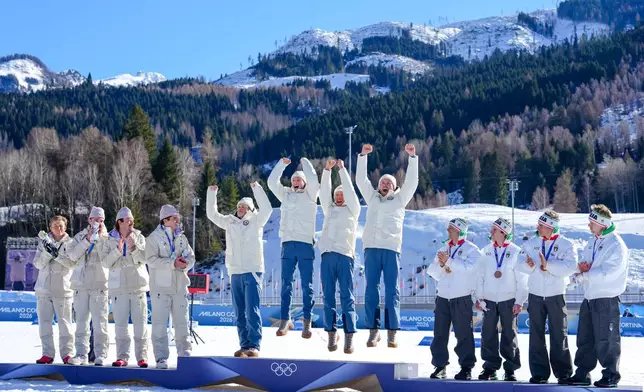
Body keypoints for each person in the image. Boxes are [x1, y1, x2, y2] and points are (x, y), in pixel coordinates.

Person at [356, 143, 418, 348]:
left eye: (388, 182)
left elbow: (412, 182)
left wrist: (412, 158)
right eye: (382, 181)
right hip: (371, 249)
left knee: (392, 290)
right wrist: (363, 156)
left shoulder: (400, 199)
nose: (384, 184)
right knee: (371, 290)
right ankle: (373, 331)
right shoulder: (372, 198)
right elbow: (360, 180)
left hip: (391, 249)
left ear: (394, 187)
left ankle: (392, 332)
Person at [207, 181, 272, 358]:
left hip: (252, 270)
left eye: (245, 206)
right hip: (235, 270)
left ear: (251, 209)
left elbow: (267, 208)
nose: (241, 208)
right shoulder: (230, 222)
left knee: (252, 309)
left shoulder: (257, 220)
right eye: (239, 206)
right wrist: (211, 194)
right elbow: (212, 215)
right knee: (239, 311)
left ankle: (254, 345)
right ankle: (244, 345)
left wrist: (257, 189)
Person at [567, 204, 629, 388]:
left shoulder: (616, 245)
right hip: (590, 297)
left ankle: (611, 374)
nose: (589, 226)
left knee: (606, 338)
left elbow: (608, 272)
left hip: (606, 298)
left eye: (591, 222)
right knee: (585, 338)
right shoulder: (592, 242)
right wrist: (577, 273)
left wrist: (584, 276)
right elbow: (584, 265)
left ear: (602, 223)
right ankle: (582, 373)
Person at [517, 210, 577, 384]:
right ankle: (539, 373)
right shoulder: (532, 243)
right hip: (535, 294)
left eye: (541, 225)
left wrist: (547, 265)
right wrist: (528, 265)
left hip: (556, 294)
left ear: (550, 227)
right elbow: (519, 263)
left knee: (559, 334)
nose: (538, 227)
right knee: (536, 335)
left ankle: (563, 373)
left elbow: (571, 266)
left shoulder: (566, 244)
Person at [268, 157, 320, 338]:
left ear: (305, 182)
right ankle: (285, 320)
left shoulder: (311, 194)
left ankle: (307, 321)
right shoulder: (286, 195)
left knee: (307, 286)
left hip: (305, 243)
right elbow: (271, 182)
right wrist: (281, 165)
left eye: (299, 179)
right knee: (286, 285)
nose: (296, 182)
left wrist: (306, 164)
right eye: (293, 180)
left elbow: (314, 180)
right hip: (288, 243)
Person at [427, 218, 481, 380]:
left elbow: (470, 269)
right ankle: (440, 366)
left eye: (451, 228)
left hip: (461, 297)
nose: (447, 231)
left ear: (459, 230)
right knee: (440, 334)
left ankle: (466, 367)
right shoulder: (444, 248)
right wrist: (442, 265)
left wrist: (448, 262)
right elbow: (433, 272)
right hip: (443, 297)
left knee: (463, 334)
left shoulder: (472, 250)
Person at [475, 217, 528, 382]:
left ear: (504, 233)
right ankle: (490, 368)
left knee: (509, 335)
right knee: (488, 334)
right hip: (489, 300)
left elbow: (522, 280)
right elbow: (479, 277)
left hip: (509, 299)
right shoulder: (485, 251)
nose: (491, 232)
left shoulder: (516, 251)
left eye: (494, 230)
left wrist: (519, 301)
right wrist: (478, 297)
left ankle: (510, 369)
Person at [318, 159, 360, 354]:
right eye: (337, 195)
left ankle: (350, 335)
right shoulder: (329, 209)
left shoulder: (353, 210)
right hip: (327, 256)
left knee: (346, 297)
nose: (340, 197)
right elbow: (324, 192)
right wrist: (327, 171)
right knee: (327, 297)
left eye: (342, 194)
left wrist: (342, 171)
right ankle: (331, 334)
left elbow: (351, 193)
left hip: (344, 255)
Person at [145, 205, 196, 369]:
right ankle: (161, 357)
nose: (177, 220)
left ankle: (185, 354)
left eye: (177, 217)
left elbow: (192, 256)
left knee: (182, 322)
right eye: (174, 218)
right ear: (165, 220)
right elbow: (151, 260)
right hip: (160, 288)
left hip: (180, 286)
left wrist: (186, 263)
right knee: (159, 324)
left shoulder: (181, 237)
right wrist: (172, 263)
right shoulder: (153, 238)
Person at [102, 207, 150, 368]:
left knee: (140, 325)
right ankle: (122, 356)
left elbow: (144, 259)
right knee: (120, 325)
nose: (130, 222)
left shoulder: (139, 236)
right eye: (127, 219)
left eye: (131, 219)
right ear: (119, 222)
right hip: (118, 288)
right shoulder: (108, 239)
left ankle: (142, 357)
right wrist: (117, 250)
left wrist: (134, 248)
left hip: (138, 287)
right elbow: (105, 263)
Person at [62, 207, 109, 366]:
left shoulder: (108, 238)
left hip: (100, 285)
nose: (98, 222)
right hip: (81, 285)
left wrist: (100, 239)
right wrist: (87, 240)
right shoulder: (80, 236)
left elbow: (110, 259)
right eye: (95, 219)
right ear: (89, 220)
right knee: (81, 322)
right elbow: (72, 256)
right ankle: (81, 354)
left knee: (99, 323)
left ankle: (100, 354)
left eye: (101, 220)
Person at [33, 215, 76, 364]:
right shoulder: (43, 242)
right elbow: (38, 264)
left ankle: (67, 354)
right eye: (55, 225)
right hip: (44, 290)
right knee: (44, 323)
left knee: (65, 324)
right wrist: (47, 252)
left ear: (65, 227)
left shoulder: (71, 243)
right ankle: (47, 354)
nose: (58, 228)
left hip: (63, 289)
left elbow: (72, 264)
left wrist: (56, 255)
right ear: (50, 227)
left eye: (61, 226)